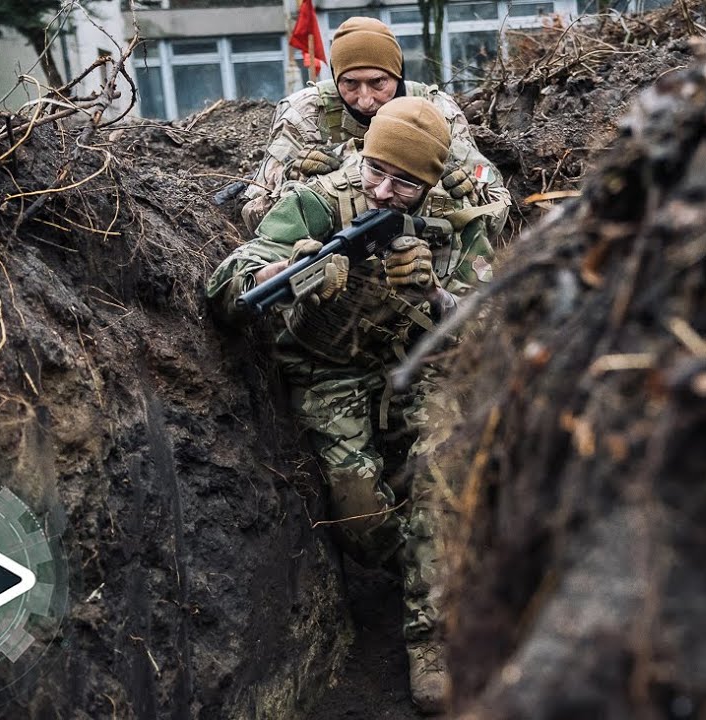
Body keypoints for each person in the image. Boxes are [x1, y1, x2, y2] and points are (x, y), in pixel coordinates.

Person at [207, 97, 498, 714]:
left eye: (404, 183)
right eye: (375, 172)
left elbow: (492, 328)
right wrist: (293, 271)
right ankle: (447, 571)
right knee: (361, 525)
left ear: (431, 181)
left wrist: (436, 292)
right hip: (331, 370)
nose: (384, 191)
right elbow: (230, 282)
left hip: (423, 369)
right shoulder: (319, 199)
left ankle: (434, 640)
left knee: (441, 474)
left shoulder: (461, 216)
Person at [239, 16, 510, 237]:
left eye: (378, 82)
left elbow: (495, 196)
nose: (366, 99)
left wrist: (471, 182)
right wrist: (291, 178)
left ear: (398, 73)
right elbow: (253, 217)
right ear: (335, 79)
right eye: (350, 84)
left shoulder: (436, 111)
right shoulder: (305, 114)